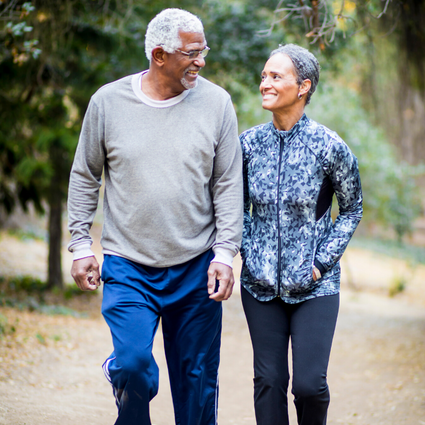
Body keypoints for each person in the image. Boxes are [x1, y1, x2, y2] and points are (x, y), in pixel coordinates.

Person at [67, 8, 243, 425]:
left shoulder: (217, 103)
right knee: (131, 366)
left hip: (196, 266)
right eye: (193, 52)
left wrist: (224, 254)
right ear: (160, 55)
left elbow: (228, 184)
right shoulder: (108, 102)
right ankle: (121, 375)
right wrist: (79, 244)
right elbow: (85, 175)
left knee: (198, 385)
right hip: (129, 265)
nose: (202, 60)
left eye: (205, 50)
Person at [239, 44, 363, 425]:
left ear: (303, 86)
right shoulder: (247, 145)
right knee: (269, 381)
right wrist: (250, 251)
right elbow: (231, 208)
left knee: (309, 386)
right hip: (259, 287)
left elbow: (352, 208)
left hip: (315, 287)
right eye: (264, 76)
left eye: (276, 76)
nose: (265, 84)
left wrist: (321, 262)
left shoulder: (329, 147)